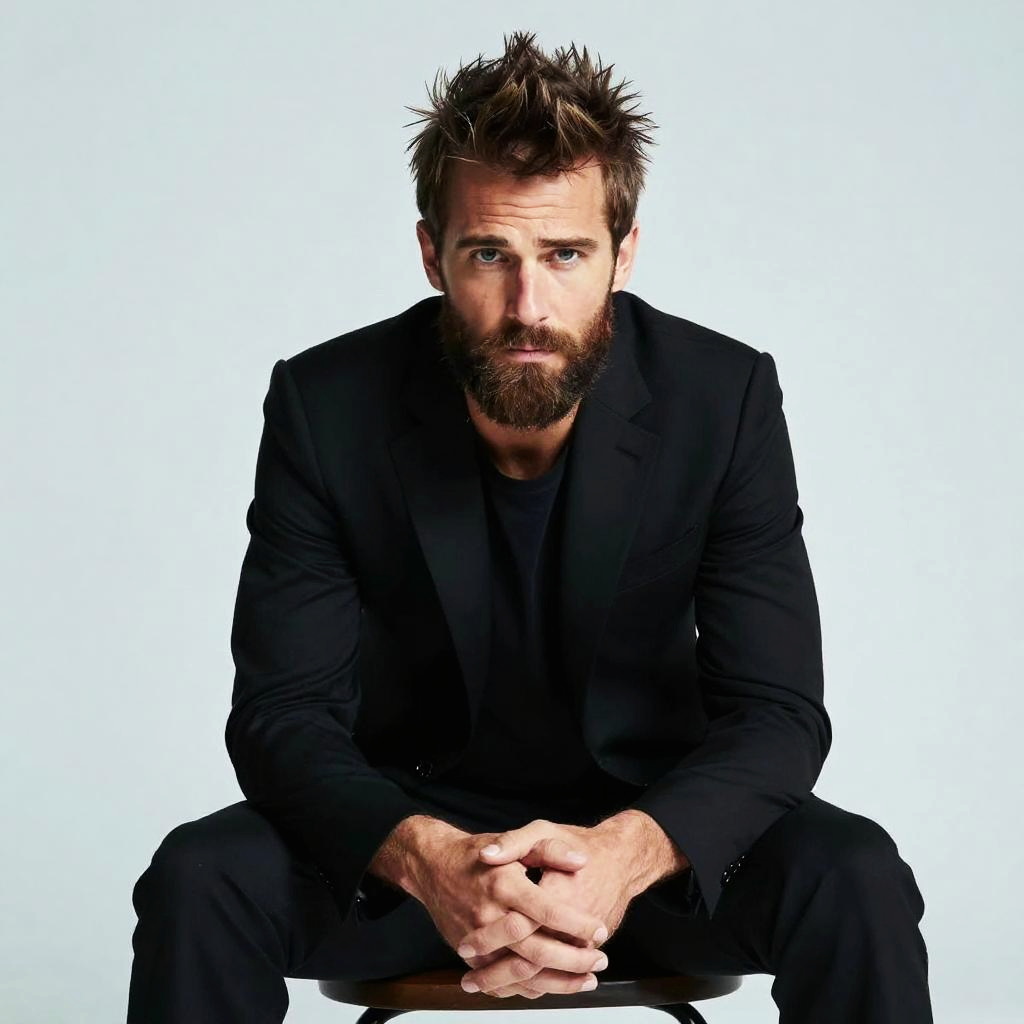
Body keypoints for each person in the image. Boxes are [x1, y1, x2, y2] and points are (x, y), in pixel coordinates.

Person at [126, 30, 933, 1022]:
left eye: (564, 254)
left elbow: (777, 712)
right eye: (487, 254)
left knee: (855, 876)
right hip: (409, 848)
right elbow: (281, 716)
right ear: (431, 253)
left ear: (622, 255)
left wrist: (624, 852)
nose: (527, 305)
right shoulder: (325, 406)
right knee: (198, 877)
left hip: (652, 850)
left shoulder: (719, 398)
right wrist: (431, 857)